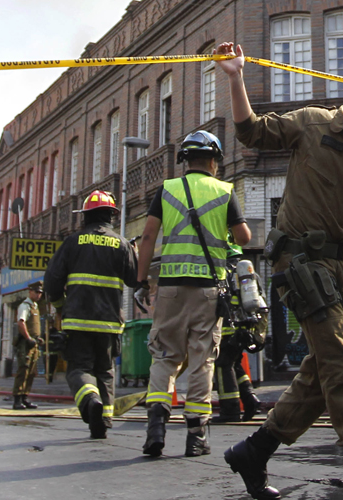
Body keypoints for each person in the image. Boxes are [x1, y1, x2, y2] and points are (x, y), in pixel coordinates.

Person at [217, 42, 343, 500]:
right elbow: (251, 132)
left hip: (340, 268)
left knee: (321, 370)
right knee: (342, 361)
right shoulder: (313, 124)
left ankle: (254, 451)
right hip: (299, 262)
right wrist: (235, 76)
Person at [136, 130, 252, 458]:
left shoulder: (167, 189)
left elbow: (148, 237)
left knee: (165, 356)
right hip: (207, 291)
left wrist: (142, 281)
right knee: (202, 360)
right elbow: (243, 237)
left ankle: (156, 426)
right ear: (214, 161)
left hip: (170, 287)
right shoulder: (224, 191)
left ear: (185, 160)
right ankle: (196, 437)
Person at [44, 190, 140, 439]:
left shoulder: (72, 242)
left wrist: (60, 306)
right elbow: (134, 279)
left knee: (78, 369)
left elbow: (52, 281)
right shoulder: (121, 244)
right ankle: (103, 421)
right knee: (105, 371)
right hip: (109, 324)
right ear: (111, 216)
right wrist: (134, 253)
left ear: (85, 216)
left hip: (77, 321)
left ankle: (90, 399)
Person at [213, 241, 265, 424]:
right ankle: (250, 400)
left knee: (222, 365)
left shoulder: (222, 272)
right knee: (234, 364)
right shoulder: (249, 274)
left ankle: (230, 410)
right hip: (245, 327)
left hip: (227, 329)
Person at [11, 282, 44, 410]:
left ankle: (25, 397)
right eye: (36, 292)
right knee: (23, 370)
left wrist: (37, 338)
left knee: (31, 372)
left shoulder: (35, 306)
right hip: (25, 344)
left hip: (33, 343)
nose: (38, 295)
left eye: (40, 293)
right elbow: (21, 323)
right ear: (30, 292)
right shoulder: (25, 306)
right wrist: (28, 338)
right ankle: (17, 399)